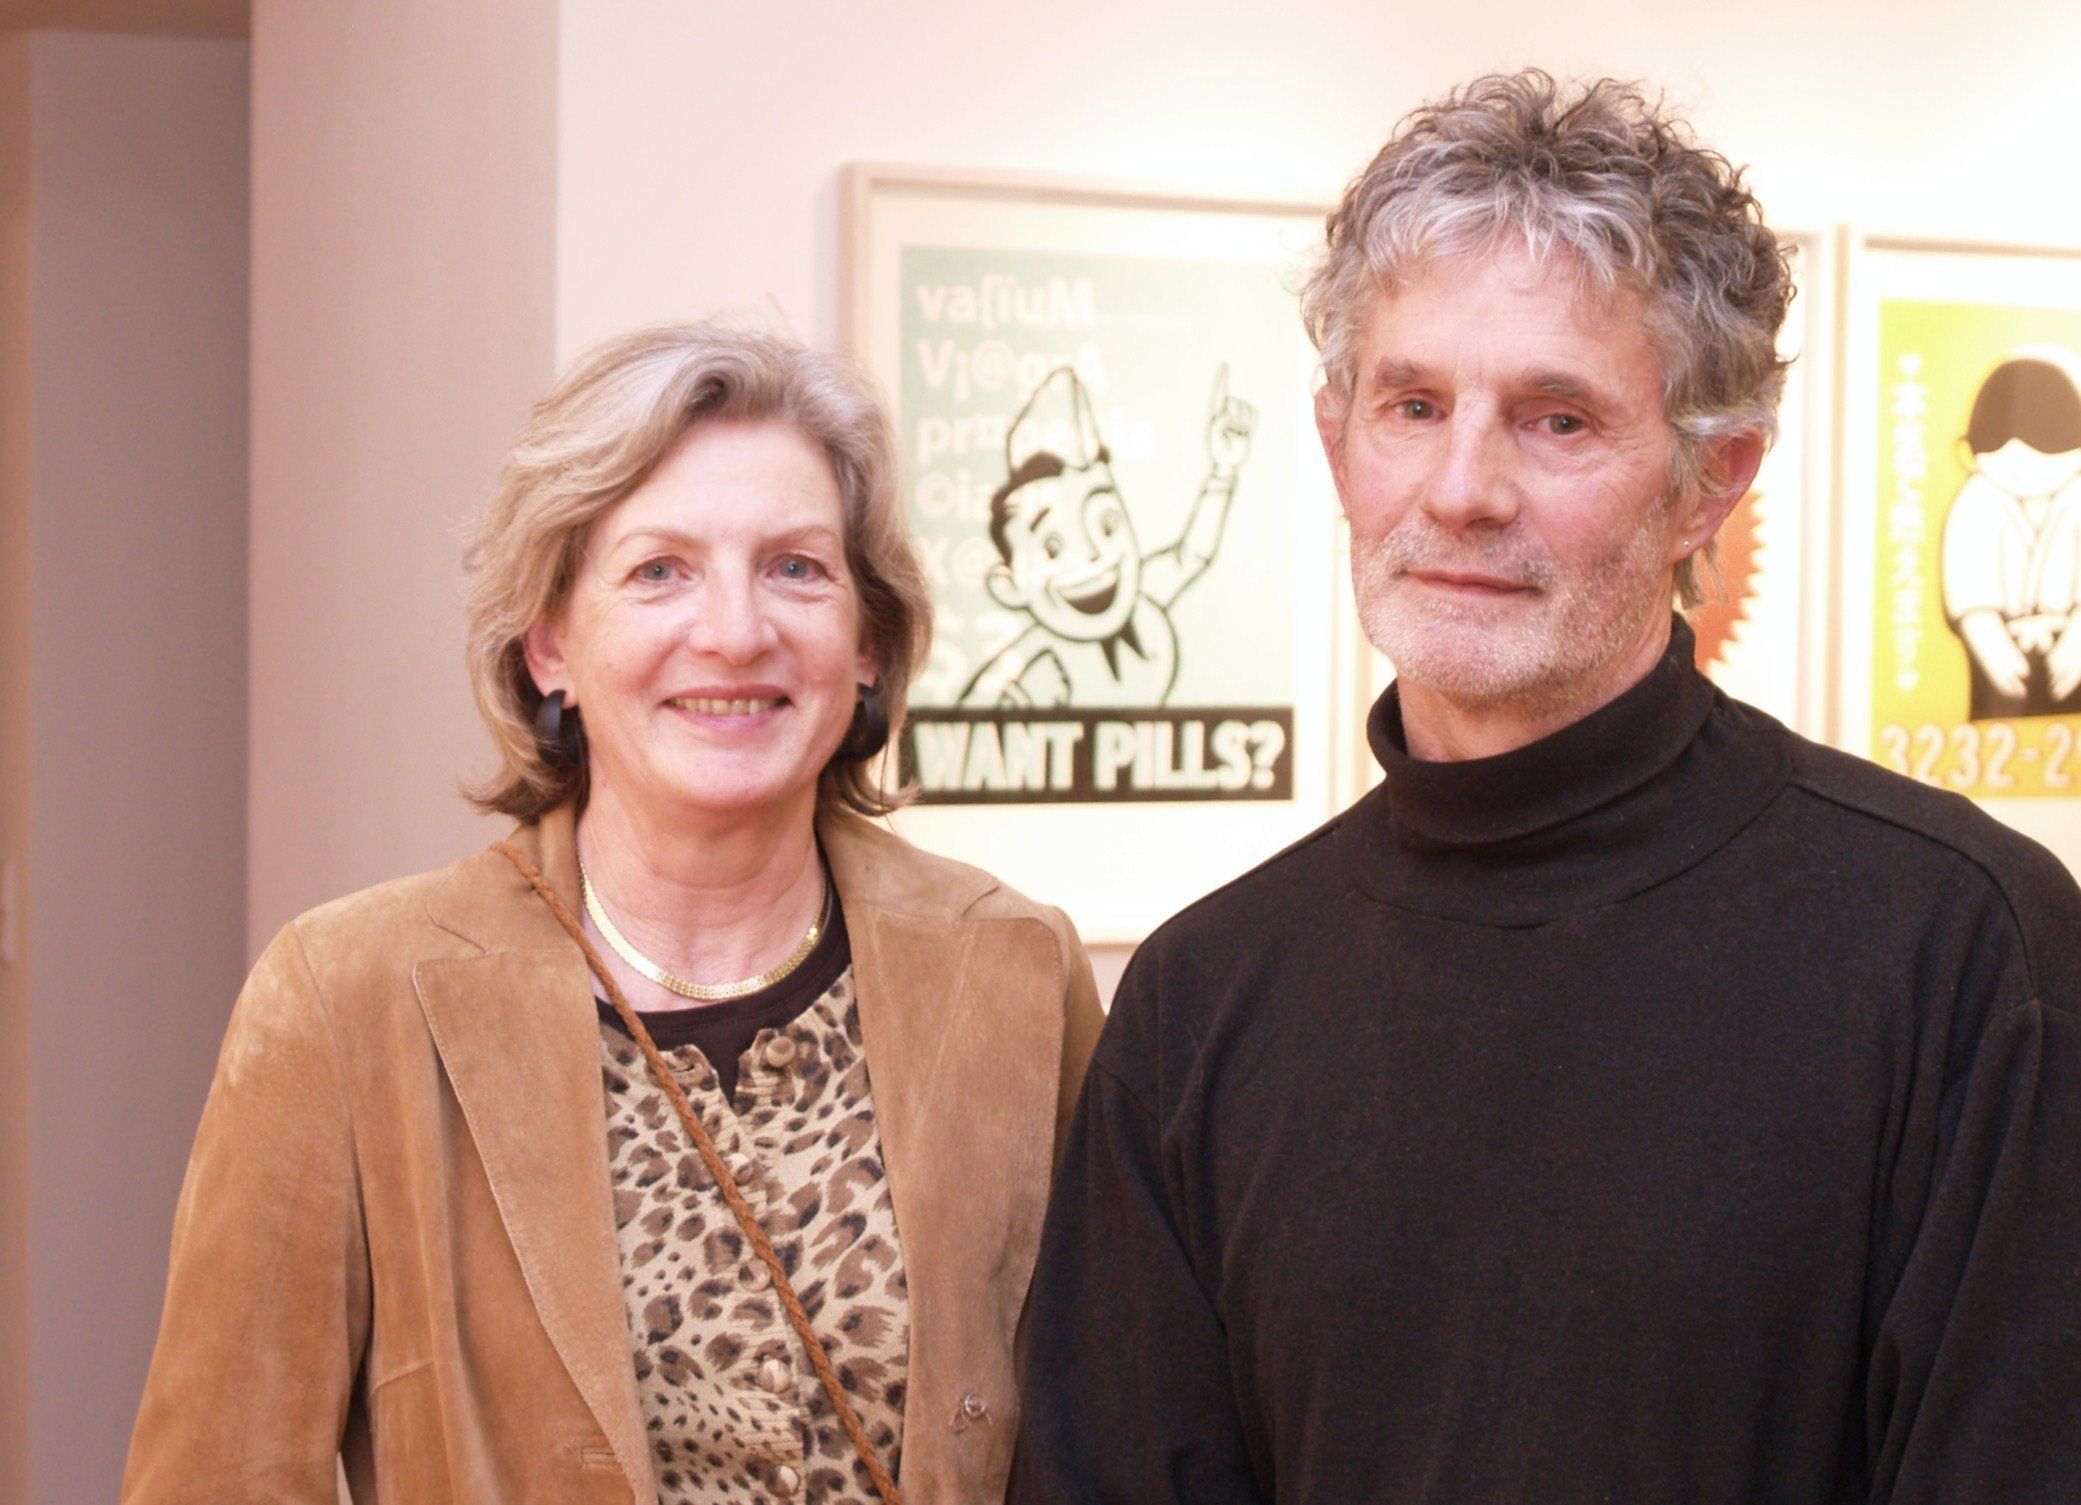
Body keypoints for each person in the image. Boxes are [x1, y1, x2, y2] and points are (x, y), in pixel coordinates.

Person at [1011, 71, 2081, 1503]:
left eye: (1555, 419)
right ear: (1336, 444)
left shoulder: (1960, 949)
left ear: (1711, 481)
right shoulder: (1202, 999)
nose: (1460, 489)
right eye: (1411, 405)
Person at [124, 323, 1102, 1504]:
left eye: (795, 567)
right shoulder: (347, 999)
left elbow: (1110, 1440)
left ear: (867, 642)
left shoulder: (1014, 971)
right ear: (549, 645)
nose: (734, 630)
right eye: (657, 571)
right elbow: (217, 1477)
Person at [1940, 346, 2081, 718]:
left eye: (2043, 449)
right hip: (1999, 657)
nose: (2020, 466)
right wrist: (1994, 649)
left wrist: (2074, 647)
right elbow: (1971, 601)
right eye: (1999, 449)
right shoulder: (1975, 502)